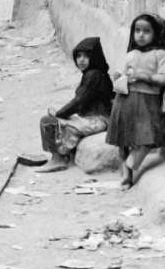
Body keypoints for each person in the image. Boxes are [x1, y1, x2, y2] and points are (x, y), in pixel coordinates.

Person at [105, 12, 165, 188]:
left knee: (149, 138)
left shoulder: (160, 54)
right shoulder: (131, 54)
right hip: (125, 100)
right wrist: (118, 75)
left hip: (147, 102)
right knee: (123, 140)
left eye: (146, 31)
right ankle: (126, 176)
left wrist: (147, 76)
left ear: (156, 33)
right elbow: (122, 71)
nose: (141, 35)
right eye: (137, 30)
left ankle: (131, 163)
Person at [37, 36, 114, 171]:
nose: (81, 60)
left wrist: (59, 113)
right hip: (93, 117)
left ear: (94, 57)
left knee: (49, 121)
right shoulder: (93, 73)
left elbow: (79, 101)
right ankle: (62, 156)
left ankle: (58, 159)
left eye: (86, 56)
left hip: (99, 119)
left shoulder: (94, 75)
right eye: (78, 56)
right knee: (55, 120)